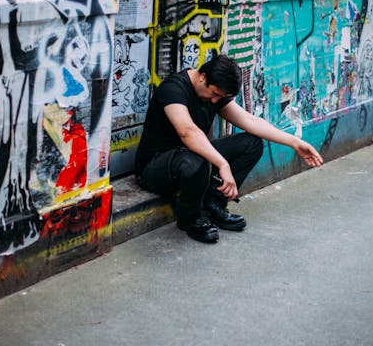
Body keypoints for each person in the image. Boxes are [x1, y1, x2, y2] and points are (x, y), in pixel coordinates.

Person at [135, 55, 323, 243]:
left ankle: (212, 204)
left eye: (221, 97)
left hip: (192, 161)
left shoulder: (213, 95)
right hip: (156, 168)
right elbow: (187, 132)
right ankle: (190, 219)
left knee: (252, 143)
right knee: (198, 160)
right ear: (203, 77)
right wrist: (222, 164)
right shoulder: (173, 89)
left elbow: (250, 121)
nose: (216, 101)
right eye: (214, 93)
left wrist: (294, 142)